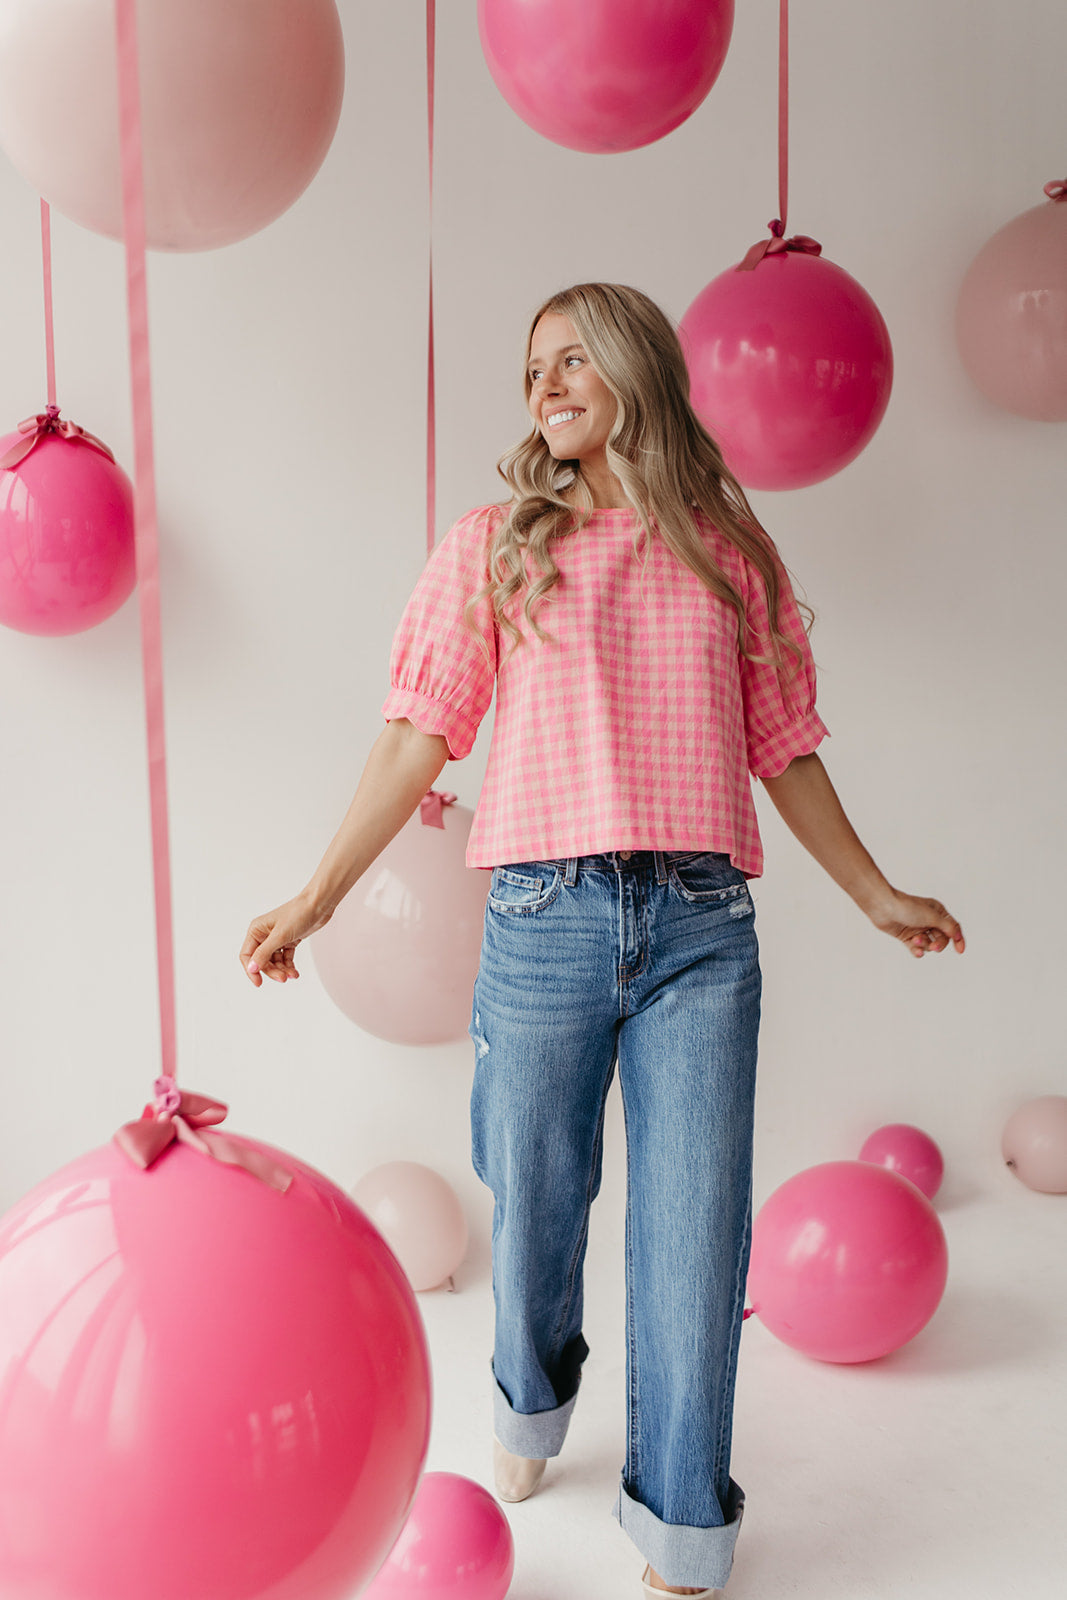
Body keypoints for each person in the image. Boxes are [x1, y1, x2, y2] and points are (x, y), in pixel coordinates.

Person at [240, 282, 964, 1598]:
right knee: (536, 1201)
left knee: (694, 1235)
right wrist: (318, 894)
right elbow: (418, 733)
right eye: (532, 368)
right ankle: (530, 1397)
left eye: (574, 356)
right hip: (540, 922)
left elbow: (783, 748)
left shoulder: (727, 550)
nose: (546, 382)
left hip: (701, 933)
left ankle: (683, 1525)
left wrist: (874, 892)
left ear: (639, 365)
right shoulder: (495, 544)